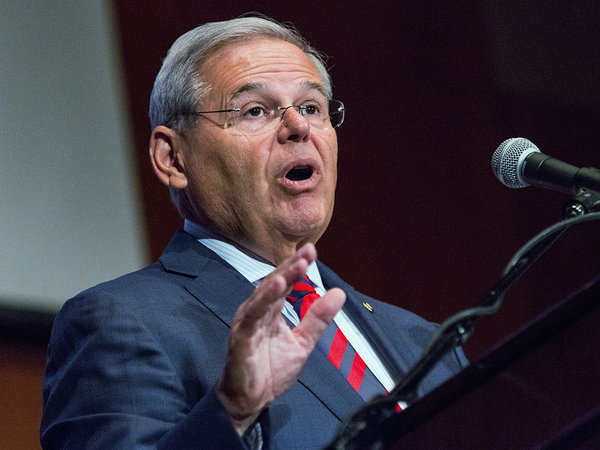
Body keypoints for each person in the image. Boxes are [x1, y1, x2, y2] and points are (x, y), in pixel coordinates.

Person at [40, 15, 468, 449]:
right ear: (172, 158)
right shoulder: (121, 322)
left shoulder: (427, 343)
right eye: (256, 111)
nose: (298, 127)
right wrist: (233, 408)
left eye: (311, 107)